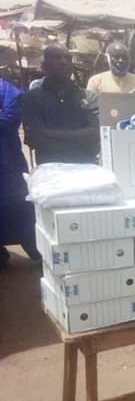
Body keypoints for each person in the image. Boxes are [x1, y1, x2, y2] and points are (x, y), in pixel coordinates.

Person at [23, 44, 100, 164]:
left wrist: (50, 135)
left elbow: (95, 134)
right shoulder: (32, 98)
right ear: (44, 66)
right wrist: (79, 138)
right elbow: (34, 138)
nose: (63, 62)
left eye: (68, 58)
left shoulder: (87, 97)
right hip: (49, 171)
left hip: (85, 168)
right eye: (56, 57)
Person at [0, 76, 40, 269]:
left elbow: (10, 118)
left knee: (21, 207)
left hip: (8, 164)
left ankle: (36, 249)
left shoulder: (5, 89)